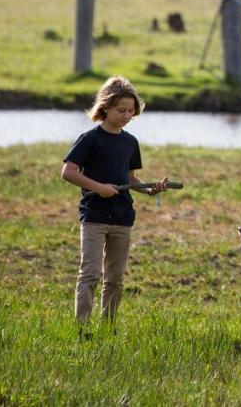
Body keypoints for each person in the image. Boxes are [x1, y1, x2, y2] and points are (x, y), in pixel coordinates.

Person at [61, 76, 169, 327]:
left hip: (122, 218)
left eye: (131, 111)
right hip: (94, 216)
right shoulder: (89, 139)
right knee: (89, 274)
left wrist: (151, 189)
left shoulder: (130, 142)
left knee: (115, 279)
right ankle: (82, 329)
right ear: (105, 107)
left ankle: (107, 327)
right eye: (121, 110)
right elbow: (68, 172)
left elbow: (130, 179)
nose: (127, 115)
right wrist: (99, 188)